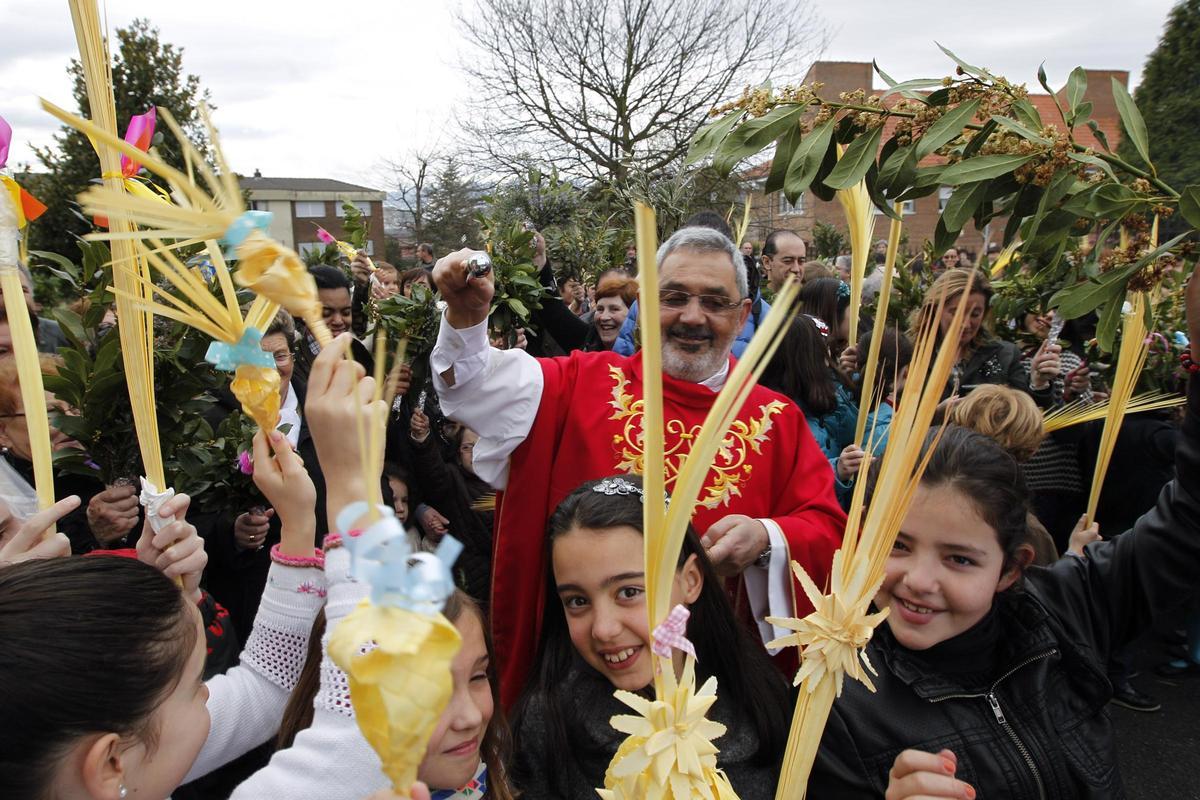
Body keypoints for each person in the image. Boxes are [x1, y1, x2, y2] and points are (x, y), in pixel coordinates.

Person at [807, 266, 1200, 798]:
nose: (919, 581)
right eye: (896, 545)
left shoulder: (1070, 607)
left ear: (1013, 566)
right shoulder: (840, 699)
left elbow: (1187, 523)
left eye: (960, 559)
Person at [431, 225, 845, 705]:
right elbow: (470, 387)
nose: (692, 316)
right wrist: (465, 316)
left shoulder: (776, 419)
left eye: (714, 302)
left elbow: (827, 534)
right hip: (584, 684)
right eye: (674, 297)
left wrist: (768, 539)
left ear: (743, 315)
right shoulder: (577, 383)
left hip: (721, 694)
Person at [513, 477, 789, 798]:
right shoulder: (548, 725)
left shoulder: (765, 704)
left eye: (629, 592)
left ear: (691, 580)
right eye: (577, 601)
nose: (603, 629)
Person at [910, 268, 1057, 407]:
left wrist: (1039, 384)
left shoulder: (1004, 355)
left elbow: (1027, 417)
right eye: (956, 313)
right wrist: (934, 417)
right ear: (936, 310)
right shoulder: (910, 355)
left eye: (975, 315)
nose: (966, 324)